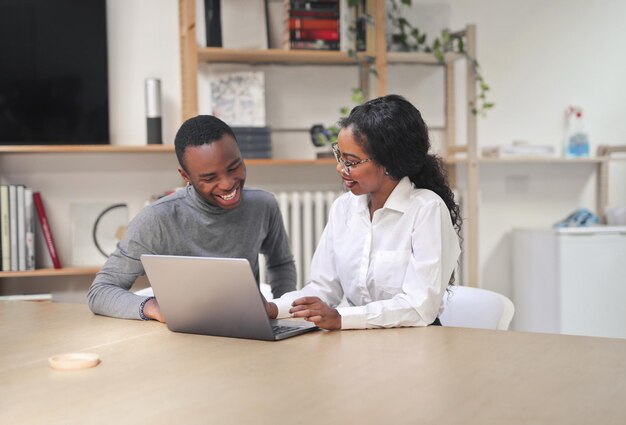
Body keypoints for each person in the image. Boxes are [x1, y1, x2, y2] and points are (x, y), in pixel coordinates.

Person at [265, 94, 461, 330]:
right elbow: (323, 289)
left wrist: (342, 318)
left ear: (389, 163)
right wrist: (274, 308)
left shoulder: (427, 209)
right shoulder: (343, 208)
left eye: (351, 161)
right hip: (359, 338)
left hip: (415, 345)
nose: (340, 168)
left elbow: (419, 307)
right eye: (340, 156)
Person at [87, 115, 296, 322]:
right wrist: (154, 308)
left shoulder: (263, 205)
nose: (227, 184)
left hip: (246, 331)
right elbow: (100, 291)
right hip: (180, 337)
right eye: (210, 178)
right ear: (185, 176)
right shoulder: (156, 219)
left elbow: (281, 264)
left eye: (234, 167)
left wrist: (279, 313)